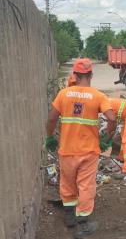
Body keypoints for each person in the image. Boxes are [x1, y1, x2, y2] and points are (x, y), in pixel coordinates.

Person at [45, 58, 116, 238]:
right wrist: (105, 138)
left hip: (67, 150)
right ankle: (83, 225)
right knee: (85, 186)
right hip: (89, 151)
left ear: (75, 75)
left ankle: (69, 218)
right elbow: (112, 119)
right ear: (91, 75)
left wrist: (50, 137)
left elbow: (52, 118)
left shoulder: (63, 94)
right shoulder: (99, 96)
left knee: (67, 183)